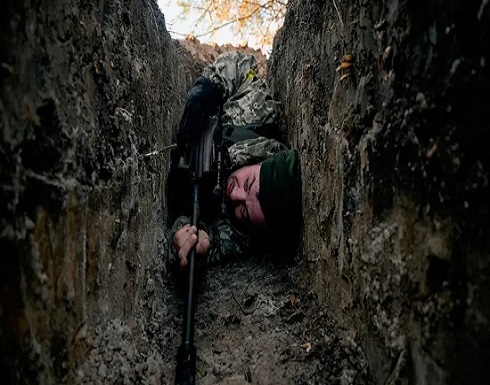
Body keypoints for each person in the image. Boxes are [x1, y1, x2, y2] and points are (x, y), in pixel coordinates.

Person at [166, 51, 302, 272]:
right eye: (248, 183)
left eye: (245, 212)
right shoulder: (258, 116)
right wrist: (206, 89)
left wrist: (186, 241)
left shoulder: (243, 234)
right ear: (262, 161)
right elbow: (242, 65)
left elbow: (205, 243)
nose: (235, 195)